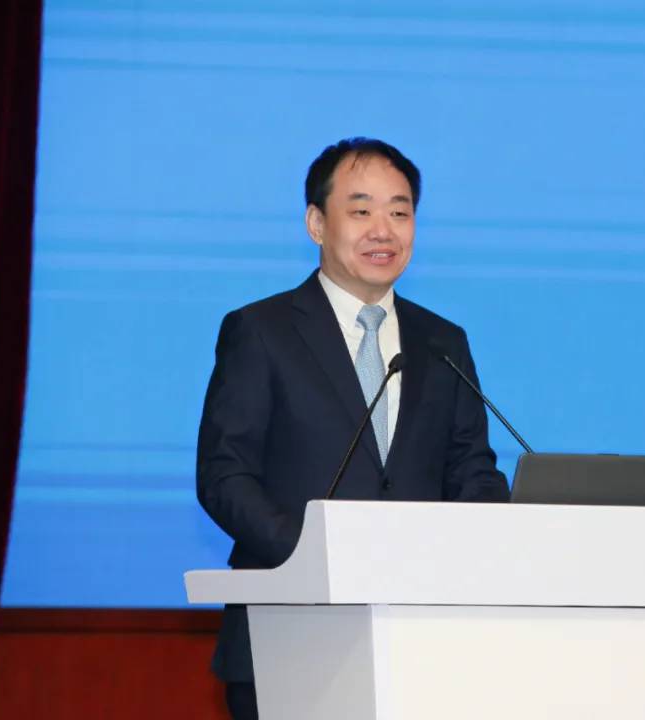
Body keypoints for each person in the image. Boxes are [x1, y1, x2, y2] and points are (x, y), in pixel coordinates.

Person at [196, 137, 510, 720]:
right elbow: (225, 476)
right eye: (361, 210)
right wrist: (315, 558)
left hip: (420, 641)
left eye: (400, 212)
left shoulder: (443, 342)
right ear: (317, 224)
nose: (382, 230)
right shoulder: (260, 331)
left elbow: (472, 468)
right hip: (289, 632)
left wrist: (477, 539)